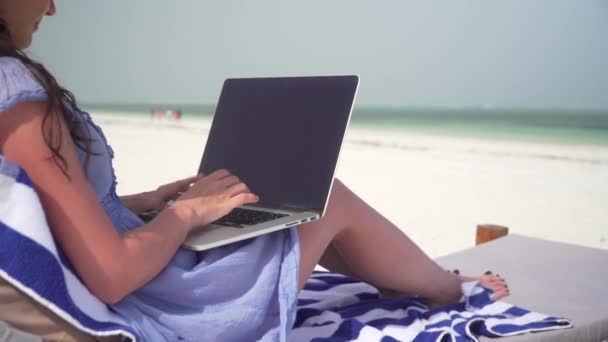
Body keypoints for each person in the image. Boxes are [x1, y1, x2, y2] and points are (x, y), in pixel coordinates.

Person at [0, 1, 508, 340]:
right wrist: (186, 216)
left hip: (135, 269)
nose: (53, 6)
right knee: (321, 200)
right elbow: (111, 276)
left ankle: (419, 278)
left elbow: (46, 205)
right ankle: (443, 289)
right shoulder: (17, 94)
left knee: (283, 207)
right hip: (153, 300)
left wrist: (150, 201)